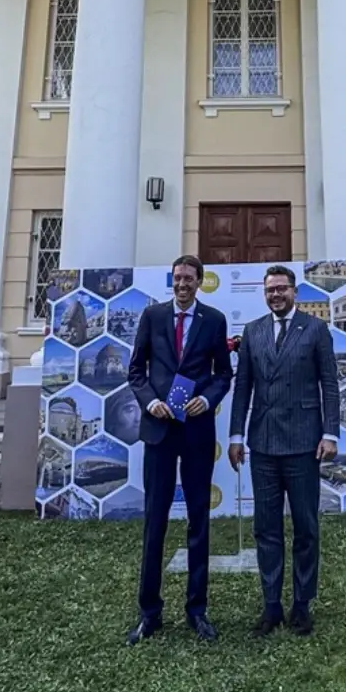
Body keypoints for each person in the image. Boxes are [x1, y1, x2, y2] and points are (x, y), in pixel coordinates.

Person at [125, 255, 233, 644]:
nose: (182, 284)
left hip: (197, 432)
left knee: (198, 521)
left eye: (189, 278)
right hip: (158, 431)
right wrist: (149, 401)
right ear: (171, 281)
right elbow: (136, 371)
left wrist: (207, 399)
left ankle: (197, 610)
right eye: (177, 278)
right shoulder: (152, 317)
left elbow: (224, 373)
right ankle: (149, 612)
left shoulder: (214, 320)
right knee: (155, 521)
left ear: (200, 282)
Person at [229, 264, 340, 636]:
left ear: (294, 291)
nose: (275, 295)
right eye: (270, 290)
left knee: (306, 527)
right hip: (262, 445)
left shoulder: (315, 329)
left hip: (305, 444)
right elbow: (242, 387)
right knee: (266, 528)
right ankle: (272, 605)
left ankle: (302, 605)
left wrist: (331, 434)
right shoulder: (253, 331)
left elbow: (330, 385)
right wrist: (234, 437)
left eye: (281, 289)